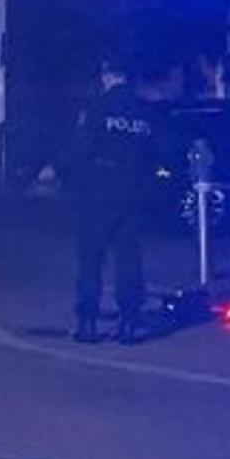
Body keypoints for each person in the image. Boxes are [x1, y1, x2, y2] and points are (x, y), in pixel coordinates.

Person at [51, 55, 168, 345]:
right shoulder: (145, 112)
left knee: (90, 256)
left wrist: (59, 171)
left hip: (99, 190)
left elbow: (80, 147)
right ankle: (129, 322)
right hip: (133, 191)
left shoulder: (98, 107)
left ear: (107, 75)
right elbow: (156, 155)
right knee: (128, 256)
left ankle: (87, 322)